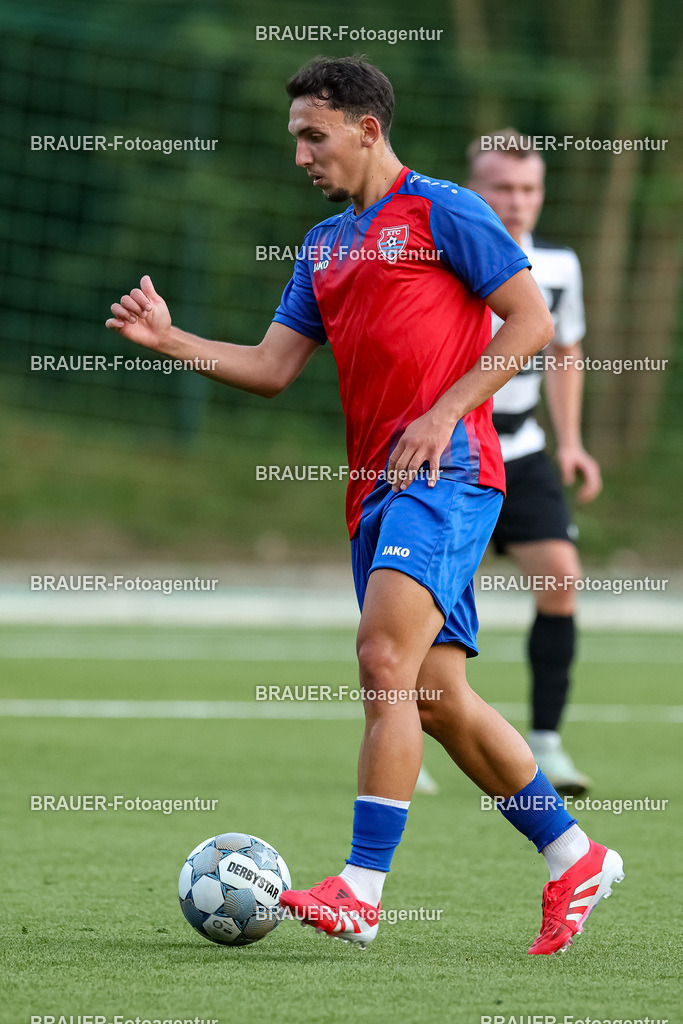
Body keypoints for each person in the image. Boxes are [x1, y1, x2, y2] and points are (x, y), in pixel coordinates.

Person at [106, 57, 623, 955]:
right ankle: (572, 854)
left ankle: (360, 888)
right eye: (295, 138)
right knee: (435, 696)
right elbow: (271, 369)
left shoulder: (444, 210)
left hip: (452, 473)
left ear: (366, 130)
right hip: (374, 492)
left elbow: (531, 322)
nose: (301, 153)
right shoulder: (323, 246)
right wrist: (169, 338)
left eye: (314, 135)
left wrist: (444, 410)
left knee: (383, 657)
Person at [467, 130, 601, 796]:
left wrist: (571, 441)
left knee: (560, 577)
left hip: (521, 449)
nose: (516, 202)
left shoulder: (558, 267)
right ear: (473, 189)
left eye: (528, 189)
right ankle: (402, 729)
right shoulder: (446, 257)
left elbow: (565, 354)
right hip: (452, 449)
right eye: (501, 188)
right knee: (423, 607)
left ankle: (545, 742)